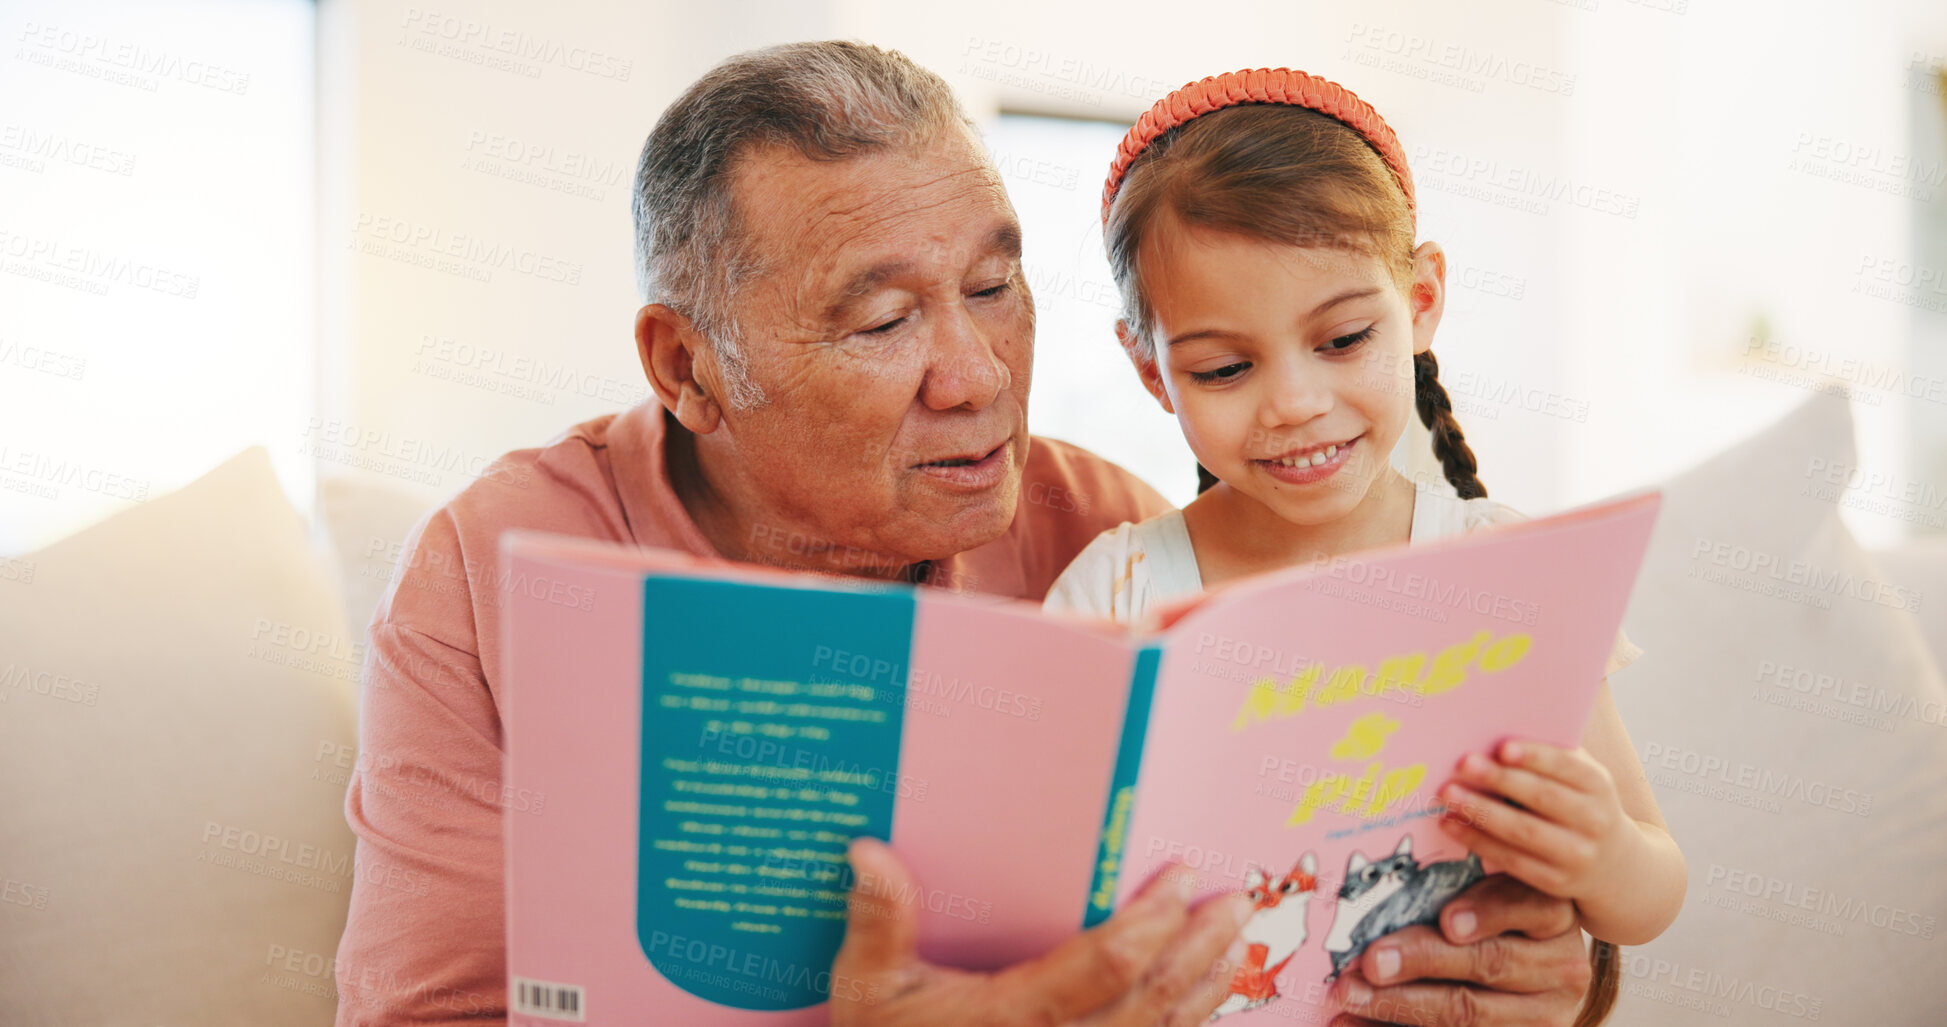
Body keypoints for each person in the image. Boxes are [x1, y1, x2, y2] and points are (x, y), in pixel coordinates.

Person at [333, 43, 1609, 1026]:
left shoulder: (1107, 538)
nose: (979, 376)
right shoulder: (495, 568)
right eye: (883, 322)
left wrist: (1546, 960)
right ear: (688, 366)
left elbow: (1373, 850)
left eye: (996, 289)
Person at [1044, 68, 1688, 1024]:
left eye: (1343, 339)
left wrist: (1602, 853)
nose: (1294, 402)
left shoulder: (1502, 572)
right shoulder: (1113, 590)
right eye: (1224, 367)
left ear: (1419, 300)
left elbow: (1650, 891)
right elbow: (1035, 892)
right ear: (1152, 371)